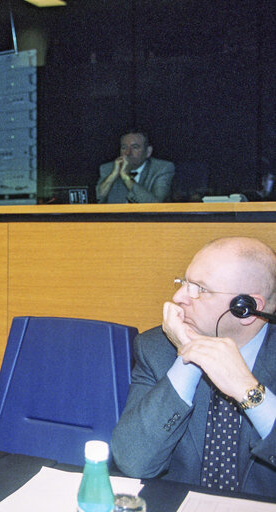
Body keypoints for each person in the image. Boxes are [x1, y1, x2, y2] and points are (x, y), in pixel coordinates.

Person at [112, 237, 276, 497]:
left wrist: (248, 391)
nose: (179, 297)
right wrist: (188, 353)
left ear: (247, 308)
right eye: (184, 283)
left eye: (200, 288)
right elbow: (133, 461)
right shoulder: (156, 348)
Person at [96, 130, 175, 203]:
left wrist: (126, 178)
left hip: (147, 218)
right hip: (115, 217)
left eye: (135, 147)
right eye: (124, 147)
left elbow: (155, 204)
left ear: (148, 152)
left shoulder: (162, 168)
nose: (127, 153)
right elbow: (97, 198)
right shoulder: (108, 168)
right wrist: (113, 176)